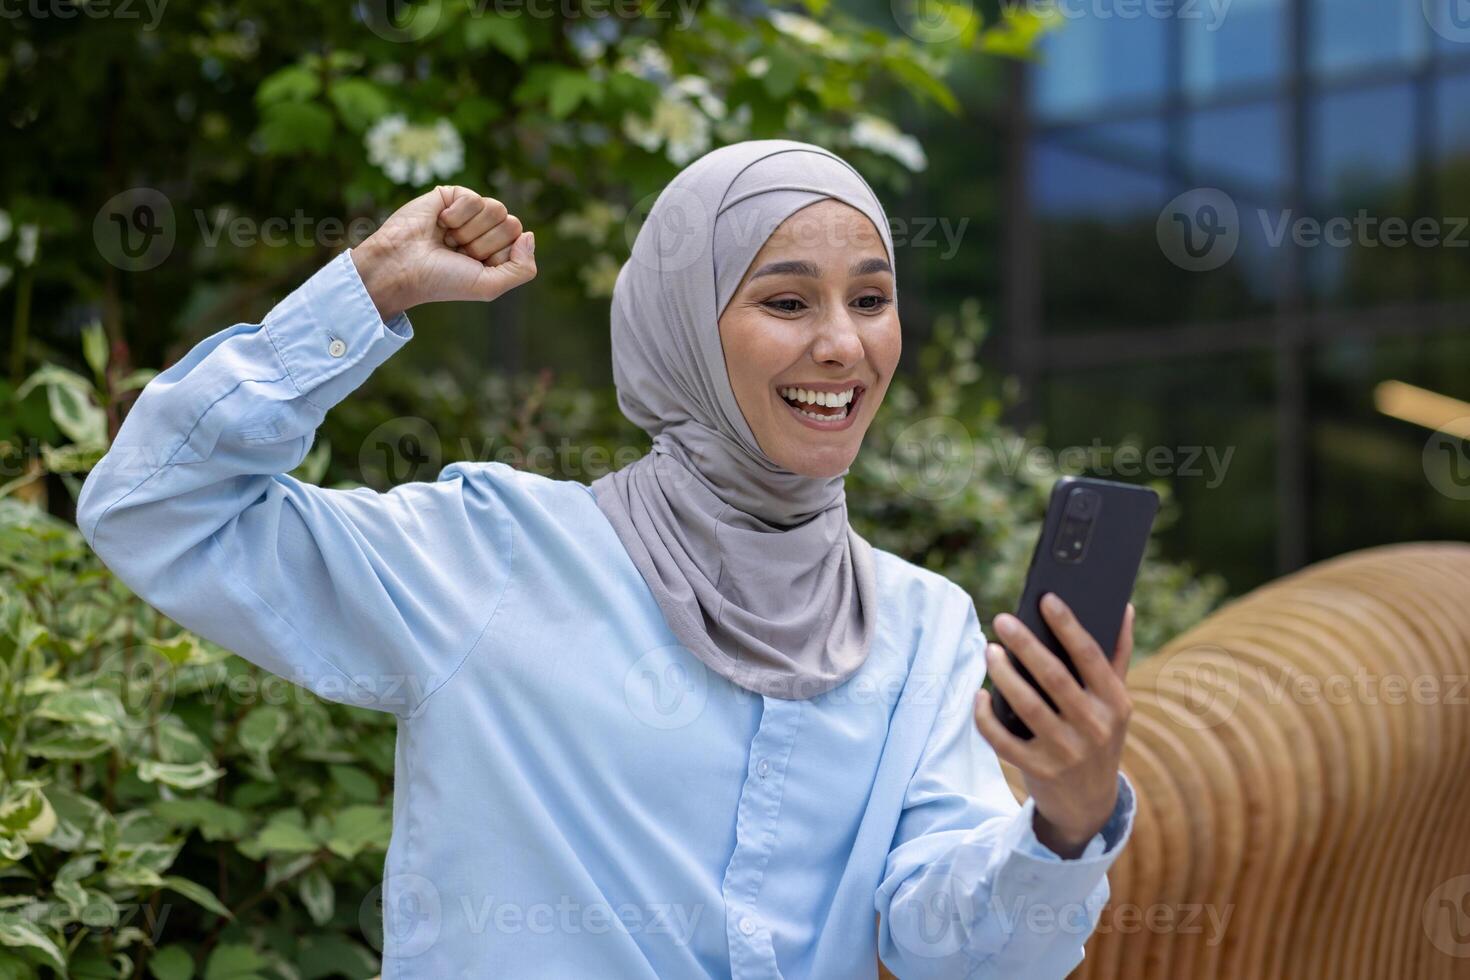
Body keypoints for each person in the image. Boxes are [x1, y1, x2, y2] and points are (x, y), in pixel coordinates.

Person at [78, 139, 1137, 978]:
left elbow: (953, 949)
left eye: (869, 298)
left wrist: (1066, 816)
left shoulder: (920, 623)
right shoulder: (491, 556)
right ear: (683, 324)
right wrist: (369, 289)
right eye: (785, 300)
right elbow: (157, 506)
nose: (843, 346)